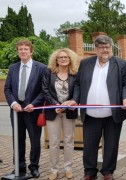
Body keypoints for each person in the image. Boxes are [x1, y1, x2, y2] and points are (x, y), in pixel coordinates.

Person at [74, 35, 126, 180]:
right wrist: (75, 100)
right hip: (91, 113)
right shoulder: (85, 63)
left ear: (111, 48)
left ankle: (108, 171)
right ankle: (89, 171)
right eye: (101, 47)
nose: (105, 50)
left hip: (112, 114)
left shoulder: (121, 64)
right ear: (96, 49)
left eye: (107, 47)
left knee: (111, 144)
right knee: (89, 145)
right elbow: (78, 84)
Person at [4, 39, 46, 178]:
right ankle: (20, 167)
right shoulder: (13, 68)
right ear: (17, 52)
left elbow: (43, 90)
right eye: (20, 49)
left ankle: (34, 166)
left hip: (33, 110)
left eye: (25, 49)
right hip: (16, 111)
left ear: (31, 51)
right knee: (18, 138)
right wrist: (13, 103)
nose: (23, 51)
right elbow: (7, 89)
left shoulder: (41, 68)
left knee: (34, 140)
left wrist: (34, 104)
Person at [42, 48, 79, 180]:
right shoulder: (49, 72)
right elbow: (45, 90)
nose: (63, 59)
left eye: (66, 57)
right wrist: (55, 105)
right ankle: (54, 169)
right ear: (56, 60)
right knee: (54, 142)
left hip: (69, 111)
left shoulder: (74, 73)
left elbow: (77, 90)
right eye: (60, 57)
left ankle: (68, 168)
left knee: (69, 140)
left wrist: (73, 101)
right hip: (53, 111)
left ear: (70, 59)